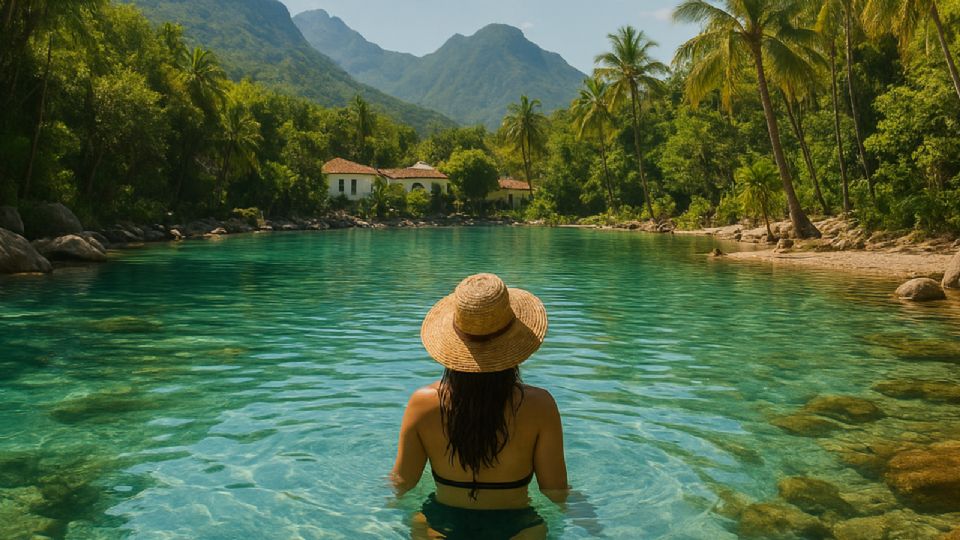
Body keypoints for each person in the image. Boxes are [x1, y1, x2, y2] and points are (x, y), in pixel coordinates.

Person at [391, 273, 569, 539]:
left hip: (438, 526)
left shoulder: (423, 403)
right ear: (515, 344)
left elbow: (402, 483)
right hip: (519, 529)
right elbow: (555, 491)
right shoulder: (540, 406)